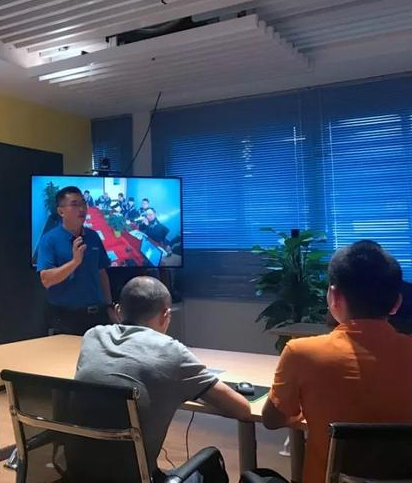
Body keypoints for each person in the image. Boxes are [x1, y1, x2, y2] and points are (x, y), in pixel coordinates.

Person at [252, 240, 412, 483]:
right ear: (397, 303)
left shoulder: (301, 353)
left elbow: (272, 420)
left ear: (334, 296)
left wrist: (302, 412)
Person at [76, 276, 251, 479]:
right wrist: (192, 389)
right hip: (136, 477)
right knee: (213, 462)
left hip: (78, 474)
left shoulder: (92, 336)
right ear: (166, 314)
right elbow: (242, 409)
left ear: (118, 311)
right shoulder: (171, 351)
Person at [37, 186, 116, 335]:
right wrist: (74, 262)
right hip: (65, 318)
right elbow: (46, 279)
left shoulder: (93, 236)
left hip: (97, 316)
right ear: (61, 211)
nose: (82, 209)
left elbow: (101, 273)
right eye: (74, 204)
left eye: (83, 203)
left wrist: (109, 306)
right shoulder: (49, 239)